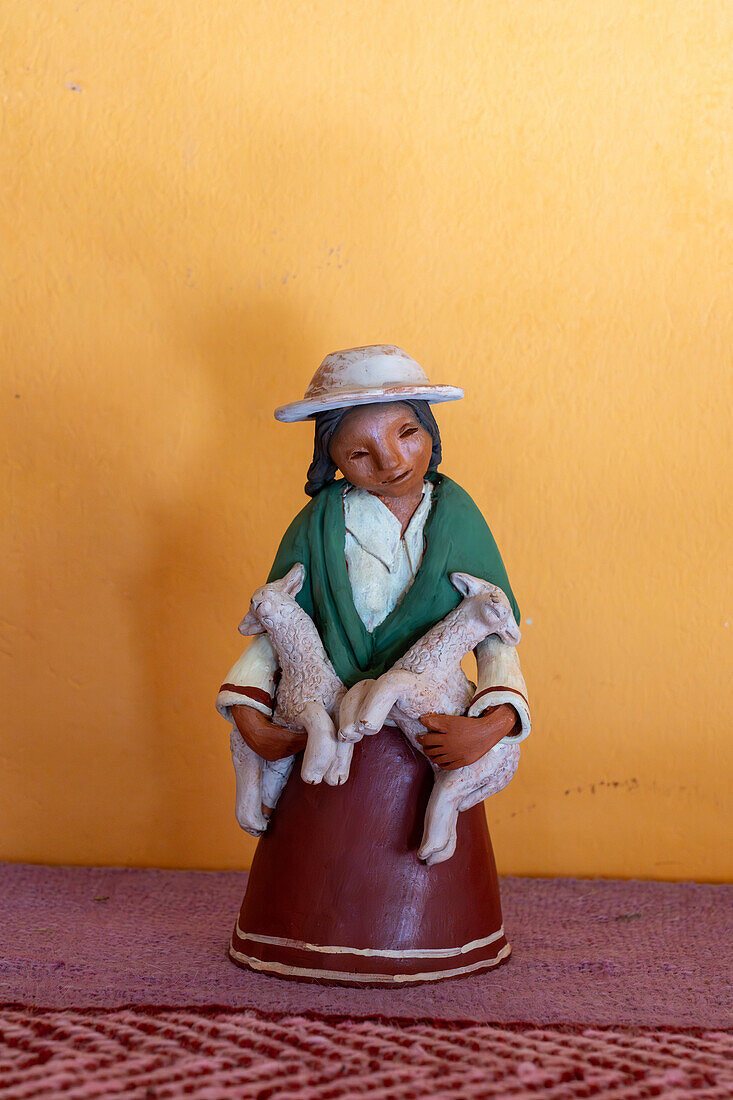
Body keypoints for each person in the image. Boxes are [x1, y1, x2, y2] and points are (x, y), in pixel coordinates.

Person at [216, 345, 531, 984]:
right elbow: (277, 624)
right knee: (312, 876)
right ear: (328, 459)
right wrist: (249, 711)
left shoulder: (460, 517)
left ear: (430, 431)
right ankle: (300, 937)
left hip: (429, 725)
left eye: (407, 433)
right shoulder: (318, 524)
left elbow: (498, 635)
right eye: (360, 452)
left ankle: (437, 935)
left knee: (433, 857)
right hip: (324, 727)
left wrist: (493, 722)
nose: (391, 462)